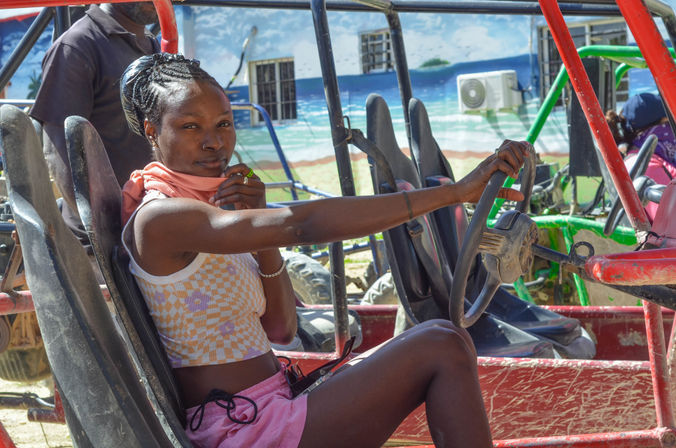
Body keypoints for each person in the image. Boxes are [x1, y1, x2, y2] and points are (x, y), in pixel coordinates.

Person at [119, 53, 530, 448]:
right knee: (444, 343)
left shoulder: (216, 214)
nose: (214, 142)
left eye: (224, 124)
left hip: (274, 402)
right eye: (191, 127)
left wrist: (260, 225)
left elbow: (281, 330)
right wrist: (452, 194)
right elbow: (303, 223)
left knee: (444, 335)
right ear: (153, 130)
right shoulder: (160, 219)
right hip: (242, 428)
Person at [30, 2, 160, 245]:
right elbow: (59, 151)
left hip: (146, 223)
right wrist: (101, 229)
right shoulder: (78, 45)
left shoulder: (149, 44)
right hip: (104, 241)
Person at [606, 92, 676, 220]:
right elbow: (670, 220)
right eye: (668, 122)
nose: (671, 129)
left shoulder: (654, 158)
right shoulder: (645, 165)